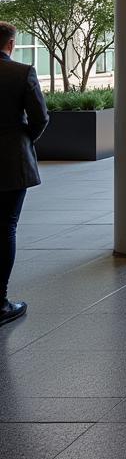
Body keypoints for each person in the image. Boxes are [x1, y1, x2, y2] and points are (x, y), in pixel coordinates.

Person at [0, 21, 49, 326]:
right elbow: (41, 117)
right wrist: (24, 138)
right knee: (5, 228)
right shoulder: (21, 73)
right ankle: (0, 301)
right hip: (10, 161)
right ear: (10, 44)